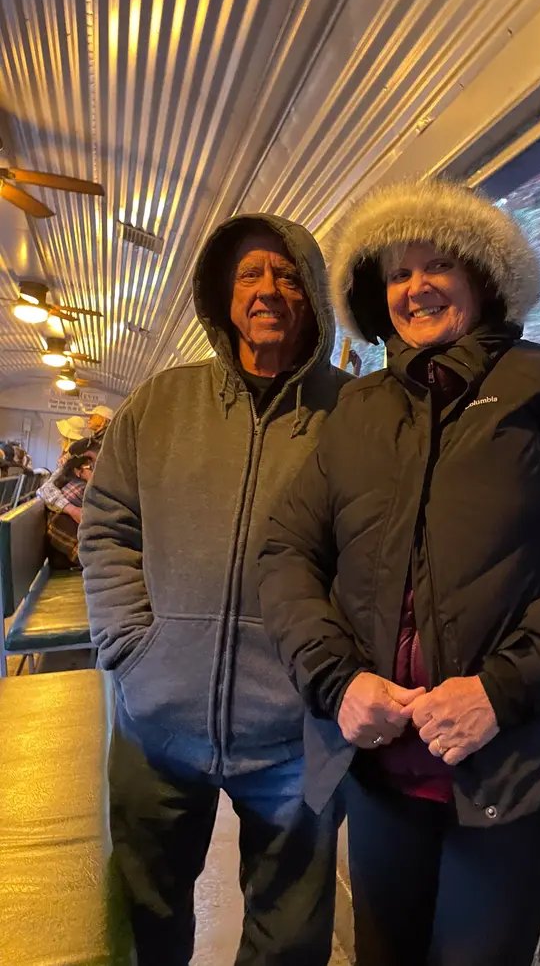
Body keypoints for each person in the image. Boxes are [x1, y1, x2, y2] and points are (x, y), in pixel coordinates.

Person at [258, 179, 540, 966]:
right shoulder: (359, 411)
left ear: (482, 276)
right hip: (383, 764)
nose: (417, 285)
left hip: (522, 757)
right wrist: (337, 680)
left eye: (438, 263)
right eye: (398, 272)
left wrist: (501, 689)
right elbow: (286, 552)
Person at [79, 214, 351, 966]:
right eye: (250, 275)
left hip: (293, 739)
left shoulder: (354, 414)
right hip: (156, 726)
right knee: (144, 919)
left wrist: (327, 682)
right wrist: (132, 647)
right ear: (220, 295)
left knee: (290, 938)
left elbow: (377, 555)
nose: (268, 290)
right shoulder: (160, 403)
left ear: (314, 296)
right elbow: (107, 524)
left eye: (287, 274)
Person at [45, 453, 93, 568]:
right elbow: (44, 489)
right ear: (78, 471)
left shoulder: (80, 491)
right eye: (91, 467)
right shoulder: (79, 493)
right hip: (79, 560)